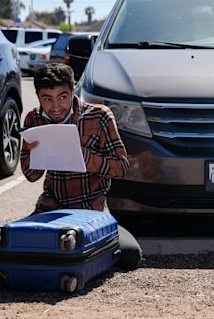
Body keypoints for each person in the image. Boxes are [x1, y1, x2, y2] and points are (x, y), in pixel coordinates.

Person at [21, 63, 141, 270]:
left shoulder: (99, 115)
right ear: (38, 97)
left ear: (73, 91)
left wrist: (86, 158)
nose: (56, 106)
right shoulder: (34, 118)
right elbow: (31, 176)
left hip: (92, 209)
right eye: (47, 99)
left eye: (62, 96)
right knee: (8, 246)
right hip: (52, 208)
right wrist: (32, 151)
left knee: (130, 255)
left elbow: (122, 167)